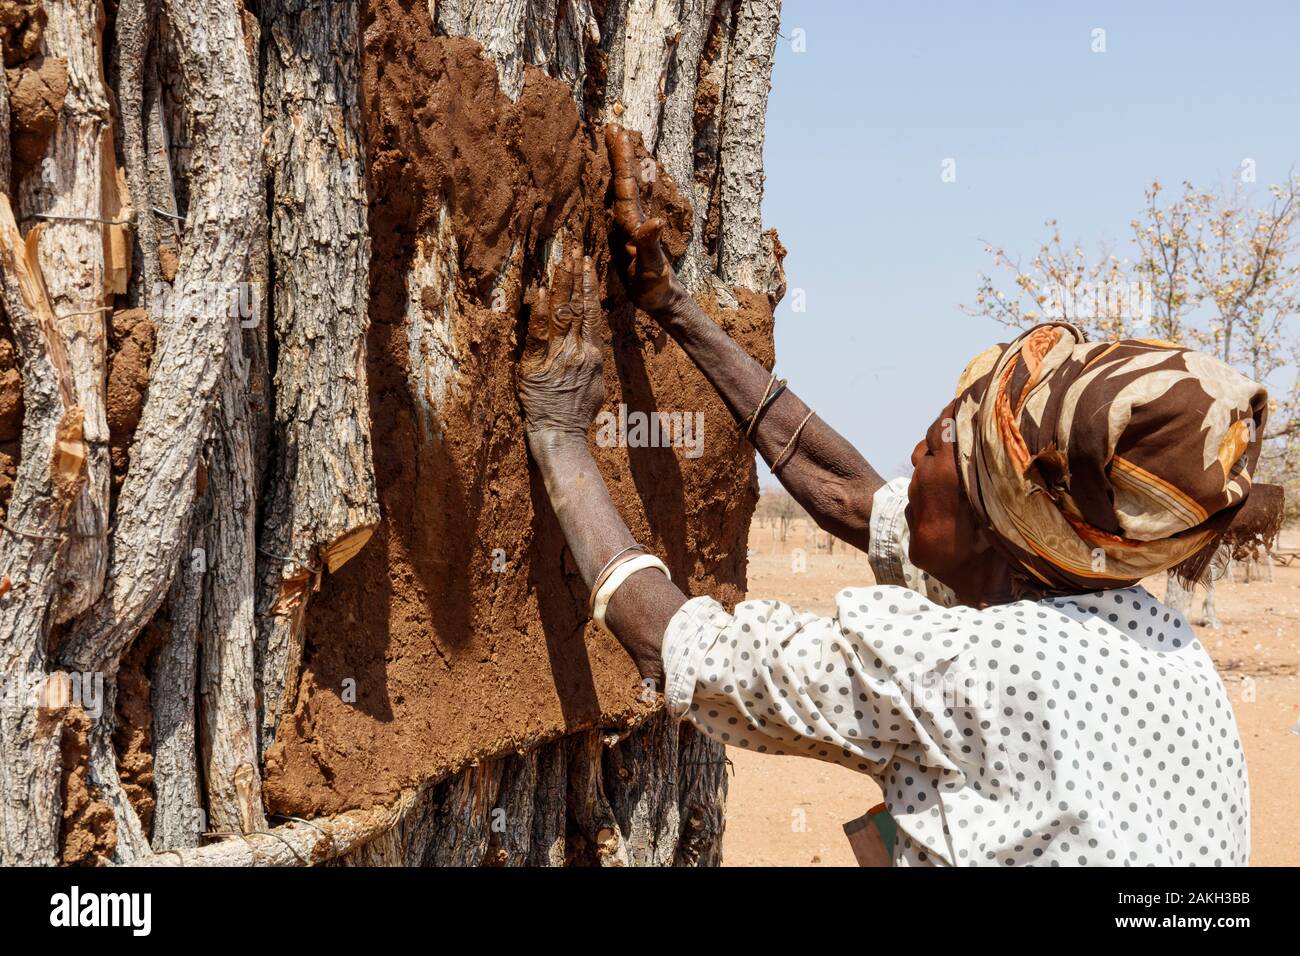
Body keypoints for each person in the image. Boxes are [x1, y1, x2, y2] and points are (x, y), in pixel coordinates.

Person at [514, 124, 1266, 866]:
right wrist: (671, 305)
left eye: (938, 445)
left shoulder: (963, 667)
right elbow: (846, 493)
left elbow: (693, 650)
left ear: (991, 523)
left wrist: (557, 434)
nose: (911, 457)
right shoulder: (1165, 648)